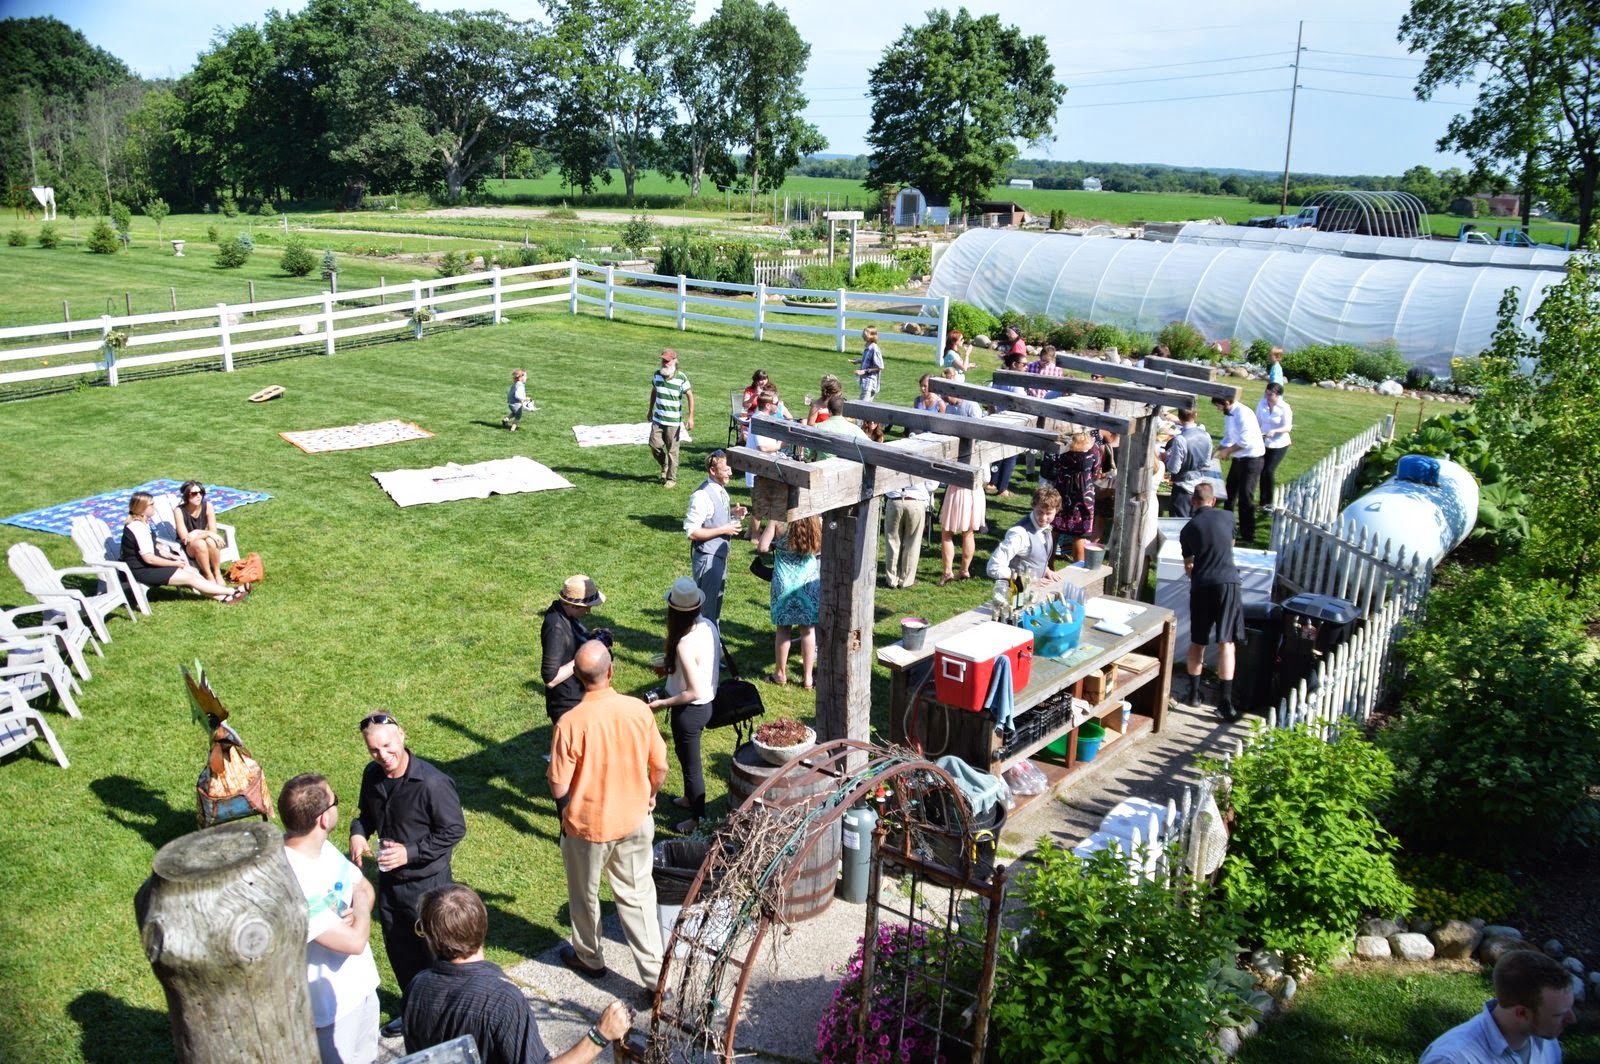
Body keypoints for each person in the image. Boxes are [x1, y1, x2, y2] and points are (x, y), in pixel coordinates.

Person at [549, 641, 669, 996]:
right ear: (611, 671)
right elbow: (660, 765)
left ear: (578, 679)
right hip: (634, 819)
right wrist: (650, 795)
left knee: (584, 896)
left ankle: (590, 958)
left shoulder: (570, 723)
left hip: (586, 828)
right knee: (638, 897)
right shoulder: (638, 710)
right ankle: (654, 979)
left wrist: (566, 816)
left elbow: (558, 785)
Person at [405, 884, 633, 1064]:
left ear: (431, 939)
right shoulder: (502, 1001)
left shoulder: (416, 987)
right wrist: (601, 1035)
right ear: (483, 927)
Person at [349, 711, 467, 1038]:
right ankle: (414, 1010)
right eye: (374, 750)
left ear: (402, 735)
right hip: (390, 884)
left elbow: (454, 830)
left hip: (428, 887)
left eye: (388, 746)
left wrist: (409, 852)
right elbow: (365, 816)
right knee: (400, 952)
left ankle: (448, 1022)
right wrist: (358, 832)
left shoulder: (432, 782)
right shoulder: (372, 776)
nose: (383, 756)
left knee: (437, 956)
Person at [280, 773, 381, 1064]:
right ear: (324, 819)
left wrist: (356, 912)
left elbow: (364, 887)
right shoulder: (291, 877)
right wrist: (359, 912)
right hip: (329, 1011)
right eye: (335, 801)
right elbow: (354, 942)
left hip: (361, 986)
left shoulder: (322, 848)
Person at [646, 578, 721, 833]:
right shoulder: (709, 625)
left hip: (690, 711)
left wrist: (663, 703)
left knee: (691, 767)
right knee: (684, 755)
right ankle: (689, 798)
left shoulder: (684, 643)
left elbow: (692, 691)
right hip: (707, 704)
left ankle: (698, 819)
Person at [1419, 949, 1575, 1064]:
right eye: (1559, 1014)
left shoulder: (1545, 1040)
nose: (1572, 1019)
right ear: (1521, 1013)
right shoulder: (1454, 1059)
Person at [1177, 484, 1245, 721]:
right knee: (1227, 642)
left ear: (1193, 502)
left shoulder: (1188, 529)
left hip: (1202, 584)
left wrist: (1196, 568)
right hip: (1229, 582)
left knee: (1198, 641)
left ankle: (1194, 695)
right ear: (1213, 501)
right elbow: (1229, 546)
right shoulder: (1228, 516)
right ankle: (1225, 703)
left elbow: (1189, 566)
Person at [120, 491, 244, 603]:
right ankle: (232, 591)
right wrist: (174, 564)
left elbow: (155, 547)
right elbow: (149, 558)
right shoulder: (137, 528)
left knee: (193, 571)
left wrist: (172, 556)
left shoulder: (143, 523)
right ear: (142, 509)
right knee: (190, 577)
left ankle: (222, 598)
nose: (154, 507)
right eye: (151, 505)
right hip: (143, 570)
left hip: (150, 565)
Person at [683, 450, 747, 626]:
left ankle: (713, 646)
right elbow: (692, 532)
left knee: (714, 609)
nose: (731, 473)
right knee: (706, 612)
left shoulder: (720, 490)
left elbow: (713, 518)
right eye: (726, 470)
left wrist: (733, 514)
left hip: (718, 557)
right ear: (712, 470)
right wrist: (724, 529)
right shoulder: (701, 496)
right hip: (707, 558)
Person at [756, 515, 821, 688]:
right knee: (808, 629)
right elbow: (820, 547)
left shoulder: (777, 519)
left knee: (783, 628)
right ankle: (808, 678)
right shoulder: (814, 518)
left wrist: (776, 544)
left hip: (783, 580)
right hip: (807, 579)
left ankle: (780, 674)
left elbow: (762, 547)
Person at [540, 575, 607, 727]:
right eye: (587, 606)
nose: (589, 610)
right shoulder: (555, 628)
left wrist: (593, 638)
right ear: (573, 605)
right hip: (568, 706)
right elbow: (551, 679)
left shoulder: (564, 613)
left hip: (579, 698)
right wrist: (584, 656)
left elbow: (571, 641)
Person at [938, 393, 986, 585]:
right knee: (968, 531)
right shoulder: (952, 408)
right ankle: (962, 570)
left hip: (961, 482)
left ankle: (950, 570)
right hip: (973, 483)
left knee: (948, 531)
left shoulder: (971, 406)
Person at [1211, 393, 1266, 543]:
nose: (1218, 409)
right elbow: (1229, 437)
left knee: (1245, 497)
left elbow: (1245, 441)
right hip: (1239, 459)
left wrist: (1227, 451)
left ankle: (1248, 535)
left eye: (1219, 406)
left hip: (1252, 460)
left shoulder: (1243, 413)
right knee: (1229, 494)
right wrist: (1216, 452)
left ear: (1227, 402)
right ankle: (1227, 529)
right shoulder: (1229, 414)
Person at [987, 485, 1060, 584]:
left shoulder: (1046, 527)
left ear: (1056, 510)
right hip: (1017, 593)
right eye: (1040, 512)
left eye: (1048, 513)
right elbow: (993, 567)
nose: (1043, 518)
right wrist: (1027, 580)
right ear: (1033, 506)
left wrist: (1045, 570)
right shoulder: (1019, 534)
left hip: (1038, 590)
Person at [1049, 432, 1099, 564]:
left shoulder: (1063, 452)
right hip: (1083, 494)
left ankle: (1049, 563)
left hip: (1063, 490)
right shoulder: (1091, 454)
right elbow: (1096, 471)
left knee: (1056, 528)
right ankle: (1079, 565)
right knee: (1080, 532)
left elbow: (1055, 467)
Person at [647, 349, 693, 489]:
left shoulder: (681, 378)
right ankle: (664, 464)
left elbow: (690, 395)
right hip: (658, 419)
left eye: (668, 361)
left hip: (673, 422)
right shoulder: (657, 375)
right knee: (654, 445)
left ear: (674, 361)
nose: (665, 363)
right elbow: (654, 391)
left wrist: (690, 417)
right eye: (663, 360)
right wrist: (650, 410)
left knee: (673, 451)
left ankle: (671, 478)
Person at [986, 350, 1028, 497]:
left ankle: (992, 482)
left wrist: (993, 413)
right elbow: (1024, 404)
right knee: (1011, 456)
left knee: (998, 453)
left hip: (999, 419)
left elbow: (990, 398)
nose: (1026, 367)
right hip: (1013, 422)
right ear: (1015, 365)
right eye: (1024, 364)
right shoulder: (1016, 384)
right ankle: (1003, 488)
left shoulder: (1000, 378)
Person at [173, 480, 229, 586]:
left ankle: (217, 573)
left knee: (211, 541)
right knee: (201, 543)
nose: (198, 496)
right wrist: (207, 533)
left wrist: (198, 532)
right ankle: (208, 575)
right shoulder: (179, 511)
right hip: (189, 547)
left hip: (205, 541)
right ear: (186, 496)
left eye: (201, 493)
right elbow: (185, 538)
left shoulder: (208, 506)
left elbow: (213, 532)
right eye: (194, 494)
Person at [883, 471, 933, 589]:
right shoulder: (923, 453)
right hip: (916, 500)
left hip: (895, 499)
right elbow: (932, 484)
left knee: (892, 542)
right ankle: (906, 580)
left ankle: (892, 579)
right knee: (912, 543)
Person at [1164, 407, 1214, 518]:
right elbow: (1207, 462)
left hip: (1182, 488)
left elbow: (1174, 468)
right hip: (1199, 485)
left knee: (1178, 526)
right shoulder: (1206, 435)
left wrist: (1166, 458)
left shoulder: (1180, 439)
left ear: (1180, 418)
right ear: (1195, 415)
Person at [1255, 383, 1293, 512]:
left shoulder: (1285, 408)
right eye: (1266, 393)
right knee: (1262, 471)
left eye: (1270, 394)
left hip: (1279, 444)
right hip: (1264, 441)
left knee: (1269, 471)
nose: (1267, 396)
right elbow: (1257, 421)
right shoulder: (1262, 404)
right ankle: (1262, 502)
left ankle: (1269, 502)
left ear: (1278, 395)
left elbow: (1288, 427)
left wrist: (1275, 431)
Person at [502, 368, 536, 432]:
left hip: (511, 403)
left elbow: (509, 392)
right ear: (521, 378)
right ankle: (512, 429)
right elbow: (517, 396)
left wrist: (509, 399)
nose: (527, 377)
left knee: (514, 413)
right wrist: (525, 398)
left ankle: (505, 420)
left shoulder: (515, 384)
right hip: (516, 404)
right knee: (518, 417)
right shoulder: (520, 385)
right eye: (525, 376)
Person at [855, 326, 883, 400]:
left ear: (873, 336)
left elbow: (879, 367)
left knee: (862, 407)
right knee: (866, 407)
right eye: (864, 333)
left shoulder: (874, 348)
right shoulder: (868, 347)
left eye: (866, 333)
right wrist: (858, 361)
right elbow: (870, 361)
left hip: (870, 383)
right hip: (865, 383)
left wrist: (863, 371)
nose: (864, 335)